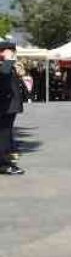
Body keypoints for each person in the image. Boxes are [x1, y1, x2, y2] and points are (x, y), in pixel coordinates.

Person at [0, 40, 25, 175]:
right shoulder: (5, 64)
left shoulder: (7, 65)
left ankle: (5, 161)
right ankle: (3, 165)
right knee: (3, 136)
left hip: (10, 106)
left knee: (6, 135)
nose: (13, 54)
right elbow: (3, 76)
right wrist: (8, 61)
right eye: (11, 51)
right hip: (4, 106)